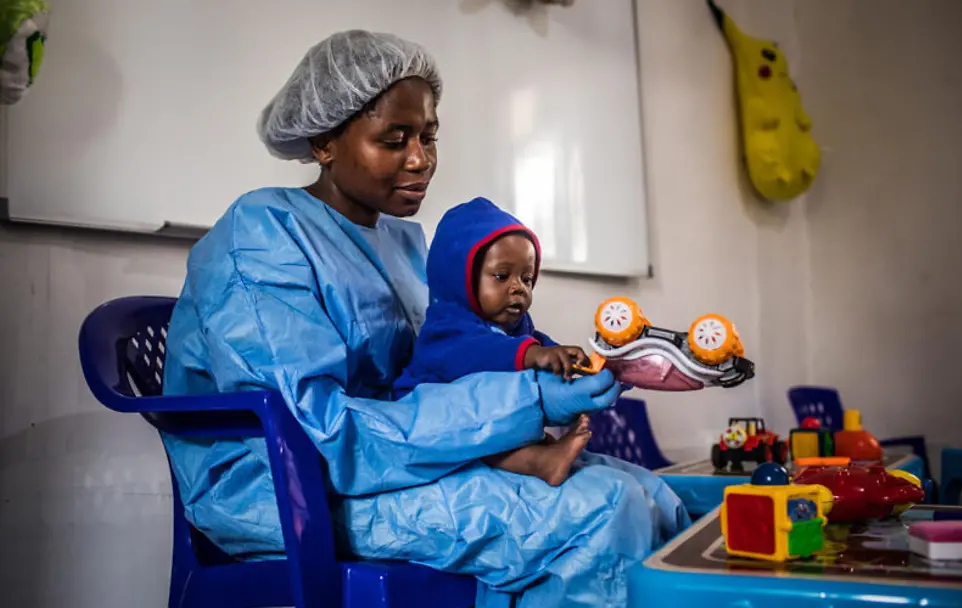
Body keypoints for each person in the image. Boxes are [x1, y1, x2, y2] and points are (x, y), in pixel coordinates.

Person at [162, 29, 691, 608]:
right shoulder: (262, 236)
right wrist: (529, 401)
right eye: (394, 139)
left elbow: (440, 368)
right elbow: (318, 433)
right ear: (323, 142)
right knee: (606, 511)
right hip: (283, 489)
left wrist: (563, 373)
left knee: (655, 496)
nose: (420, 160)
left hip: (393, 461)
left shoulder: (404, 244)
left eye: (428, 137)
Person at [393, 197, 595, 486]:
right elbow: (480, 353)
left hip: (481, 417)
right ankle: (540, 462)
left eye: (527, 279)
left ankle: (545, 452)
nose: (518, 288)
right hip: (427, 419)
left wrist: (568, 360)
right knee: (478, 442)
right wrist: (534, 355)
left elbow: (533, 342)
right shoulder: (446, 327)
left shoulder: (514, 323)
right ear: (460, 278)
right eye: (502, 276)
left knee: (515, 433)